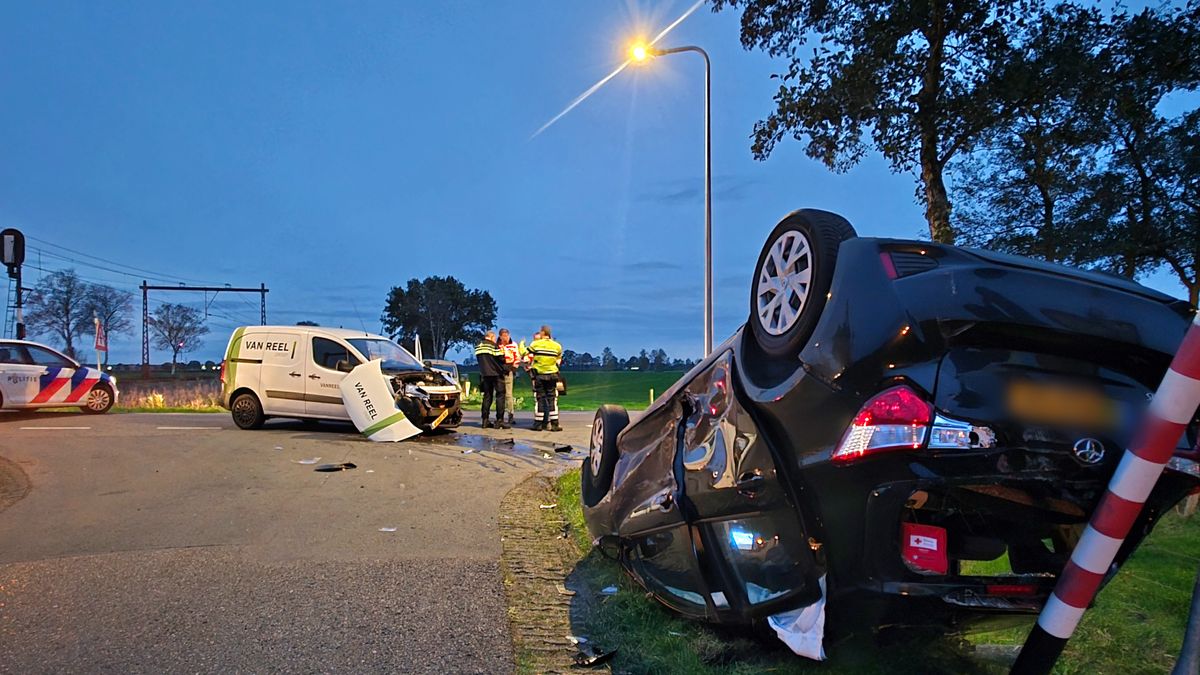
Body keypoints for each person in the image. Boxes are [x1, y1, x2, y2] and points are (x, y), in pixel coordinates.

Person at [527, 325, 563, 431]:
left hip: (540, 375)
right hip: (552, 374)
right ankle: (555, 424)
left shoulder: (536, 344)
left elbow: (526, 352)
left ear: (542, 333)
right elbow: (558, 359)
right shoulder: (557, 346)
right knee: (552, 399)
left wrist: (521, 345)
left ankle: (538, 424)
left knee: (540, 399)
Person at [473, 330, 508, 428]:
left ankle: (485, 420)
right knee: (500, 396)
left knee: (487, 396)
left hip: (485, 374)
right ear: (492, 336)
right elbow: (501, 358)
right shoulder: (493, 346)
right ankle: (499, 420)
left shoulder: (478, 347)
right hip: (496, 374)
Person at [498, 328, 520, 426]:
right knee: (499, 394)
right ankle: (500, 416)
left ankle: (511, 415)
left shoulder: (513, 345)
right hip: (499, 371)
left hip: (509, 370)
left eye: (507, 336)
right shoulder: (497, 345)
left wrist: (513, 368)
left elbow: (517, 357)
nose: (506, 338)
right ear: (500, 336)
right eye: (504, 336)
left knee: (509, 395)